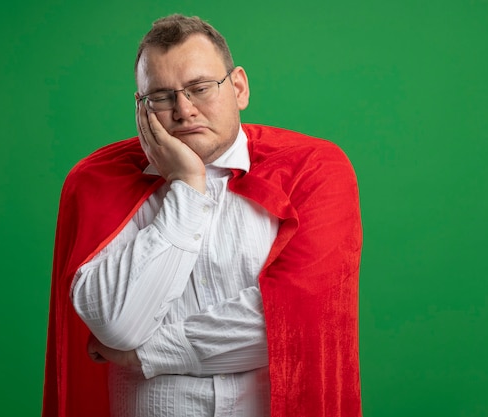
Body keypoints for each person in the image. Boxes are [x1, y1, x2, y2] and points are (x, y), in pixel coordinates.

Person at [42, 14, 363, 417]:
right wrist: (188, 186)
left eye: (200, 88)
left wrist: (147, 353)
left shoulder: (314, 170)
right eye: (160, 96)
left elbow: (300, 321)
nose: (183, 110)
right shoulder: (97, 182)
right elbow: (117, 325)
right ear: (140, 107)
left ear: (239, 87)